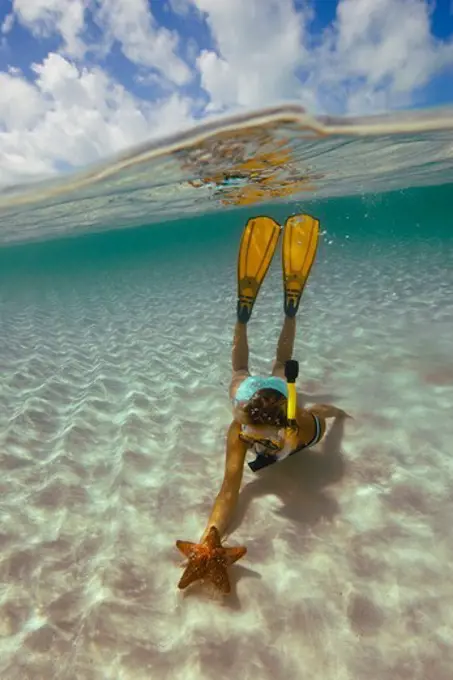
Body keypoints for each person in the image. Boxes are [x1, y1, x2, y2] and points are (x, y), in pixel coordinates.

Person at [199, 213, 350, 543]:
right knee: (260, 369)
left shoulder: (299, 429)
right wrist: (210, 540)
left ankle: (245, 319)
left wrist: (339, 416)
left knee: (243, 372)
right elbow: (230, 489)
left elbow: (321, 412)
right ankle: (279, 312)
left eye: (253, 430)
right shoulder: (248, 427)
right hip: (267, 392)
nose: (250, 436)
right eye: (249, 428)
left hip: (265, 393)